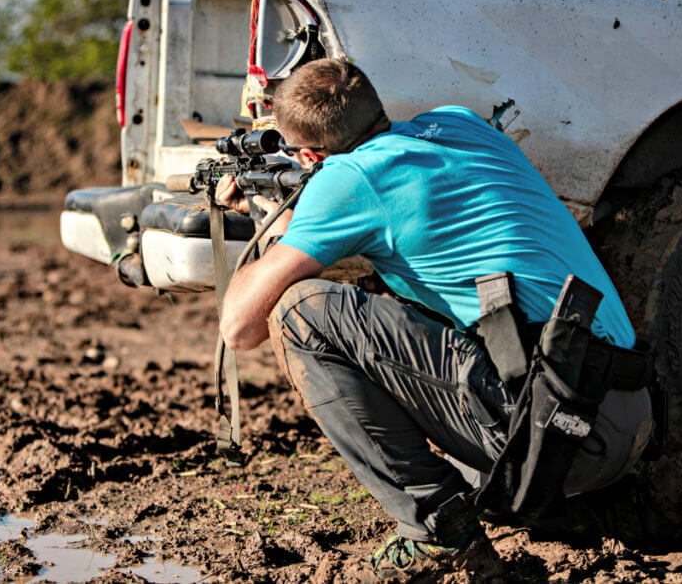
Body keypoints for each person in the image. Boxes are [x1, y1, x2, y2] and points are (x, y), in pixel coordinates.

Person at [216, 58, 653, 578]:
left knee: (299, 312)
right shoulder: (459, 122)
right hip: (629, 418)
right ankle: (576, 506)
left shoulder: (348, 179)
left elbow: (240, 328)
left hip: (562, 440)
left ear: (310, 155)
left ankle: (437, 528)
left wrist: (271, 220)